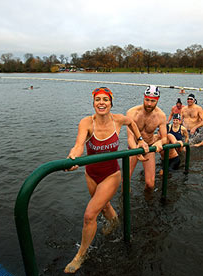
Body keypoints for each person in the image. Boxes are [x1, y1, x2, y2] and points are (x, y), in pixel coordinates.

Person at [64, 87, 149, 273]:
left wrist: (141, 140)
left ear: (111, 103)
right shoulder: (86, 122)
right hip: (91, 174)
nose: (101, 103)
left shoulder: (118, 119)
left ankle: (81, 255)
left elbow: (132, 124)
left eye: (105, 99)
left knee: (89, 215)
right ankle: (115, 222)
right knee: (103, 206)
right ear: (93, 103)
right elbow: (78, 145)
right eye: (98, 100)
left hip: (111, 174)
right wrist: (73, 157)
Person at [127, 85, 167, 191]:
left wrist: (159, 143)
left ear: (157, 101)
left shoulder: (161, 116)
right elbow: (130, 137)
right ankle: (124, 204)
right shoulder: (132, 113)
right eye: (147, 100)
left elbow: (165, 138)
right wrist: (136, 150)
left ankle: (148, 203)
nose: (149, 104)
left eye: (153, 101)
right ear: (143, 98)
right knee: (125, 181)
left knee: (150, 184)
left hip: (149, 147)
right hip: (134, 146)